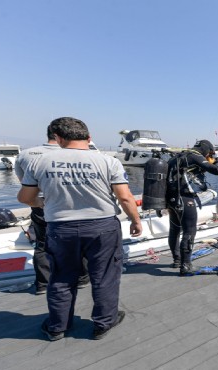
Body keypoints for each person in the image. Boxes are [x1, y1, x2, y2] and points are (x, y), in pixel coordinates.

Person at [17, 117, 142, 341]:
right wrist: (136, 221)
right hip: (102, 227)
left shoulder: (39, 161)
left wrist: (43, 205)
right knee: (104, 276)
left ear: (58, 138)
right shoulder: (108, 161)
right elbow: (125, 197)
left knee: (62, 277)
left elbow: (26, 197)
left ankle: (57, 327)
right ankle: (104, 323)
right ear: (89, 137)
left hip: (60, 228)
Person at [14, 124, 89, 295]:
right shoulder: (78, 154)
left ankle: (44, 284)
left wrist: (37, 202)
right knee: (79, 242)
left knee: (42, 244)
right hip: (72, 206)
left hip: (41, 205)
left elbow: (25, 185)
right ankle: (82, 278)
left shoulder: (25, 155)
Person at [166, 140, 218, 275]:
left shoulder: (178, 157)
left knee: (174, 230)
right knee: (189, 231)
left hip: (171, 200)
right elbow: (217, 170)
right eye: (210, 152)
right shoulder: (194, 156)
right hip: (185, 199)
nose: (209, 155)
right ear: (206, 150)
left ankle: (177, 260)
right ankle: (186, 266)